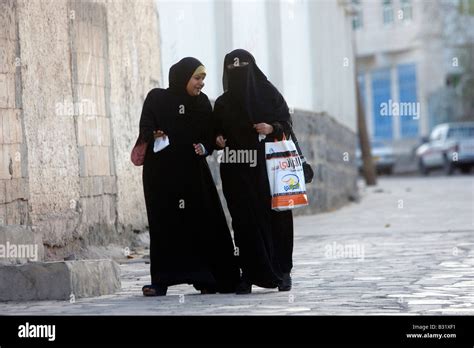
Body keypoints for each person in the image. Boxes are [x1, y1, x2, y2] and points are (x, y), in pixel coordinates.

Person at [138, 57, 239, 296]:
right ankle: (161, 281)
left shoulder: (202, 103)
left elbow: (210, 133)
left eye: (203, 78)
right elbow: (145, 128)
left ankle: (206, 278)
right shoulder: (157, 98)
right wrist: (155, 134)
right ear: (183, 78)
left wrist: (208, 145)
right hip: (161, 177)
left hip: (193, 176)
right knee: (165, 226)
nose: (201, 83)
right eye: (197, 78)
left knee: (201, 223)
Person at [213, 49, 294, 294]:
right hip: (236, 169)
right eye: (232, 70)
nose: (238, 75)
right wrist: (216, 138)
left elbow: (287, 125)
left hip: (269, 169)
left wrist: (272, 127)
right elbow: (213, 130)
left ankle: (282, 272)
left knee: (277, 218)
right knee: (243, 220)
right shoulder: (224, 102)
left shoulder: (269, 95)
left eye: (242, 68)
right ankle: (248, 273)